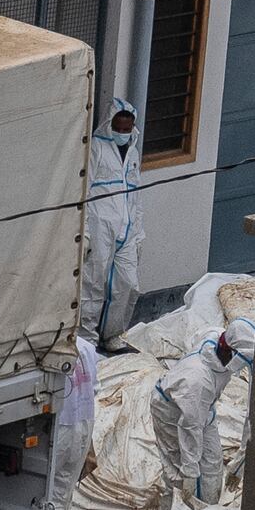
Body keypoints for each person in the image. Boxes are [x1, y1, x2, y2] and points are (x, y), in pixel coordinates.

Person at [150, 317, 255, 510]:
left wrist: (237, 466)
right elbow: (189, 428)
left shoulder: (214, 337)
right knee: (180, 473)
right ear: (229, 351)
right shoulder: (197, 380)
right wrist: (190, 472)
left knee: (212, 466)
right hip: (171, 410)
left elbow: (251, 417)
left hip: (202, 408)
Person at [9, 336, 99, 510]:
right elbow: (95, 388)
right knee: (61, 496)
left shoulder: (49, 346)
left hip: (59, 426)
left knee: (33, 489)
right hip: (83, 424)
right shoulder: (88, 348)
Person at [81, 98, 144, 349]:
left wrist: (138, 233)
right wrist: (84, 230)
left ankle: (112, 334)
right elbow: (83, 191)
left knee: (127, 283)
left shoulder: (133, 152)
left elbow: (136, 194)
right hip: (100, 224)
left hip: (127, 228)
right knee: (93, 282)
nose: (122, 133)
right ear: (109, 124)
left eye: (127, 128)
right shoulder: (96, 147)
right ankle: (86, 337)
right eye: (118, 128)